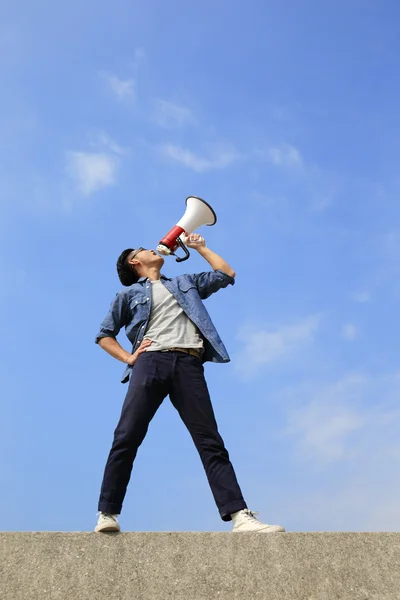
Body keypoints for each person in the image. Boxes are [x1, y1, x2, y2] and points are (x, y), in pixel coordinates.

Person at [94, 232, 285, 534]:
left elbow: (226, 274)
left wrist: (201, 248)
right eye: (143, 248)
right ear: (135, 262)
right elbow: (104, 334)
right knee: (127, 435)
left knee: (210, 441)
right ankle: (107, 513)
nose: (153, 247)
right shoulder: (128, 295)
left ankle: (239, 516)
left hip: (188, 364)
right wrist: (129, 359)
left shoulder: (184, 283)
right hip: (150, 362)